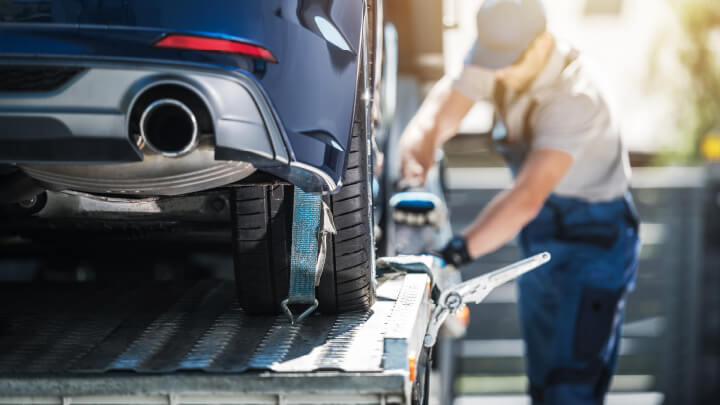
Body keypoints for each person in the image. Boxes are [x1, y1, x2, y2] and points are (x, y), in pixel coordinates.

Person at [399, 0, 641, 403]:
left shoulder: (576, 95)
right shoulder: (497, 55)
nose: (498, 72)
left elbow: (527, 197)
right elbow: (435, 118)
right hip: (544, 231)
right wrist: (413, 167)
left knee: (571, 383)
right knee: (544, 374)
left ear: (542, 43)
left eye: (507, 62)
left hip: (594, 240)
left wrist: (454, 253)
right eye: (491, 60)